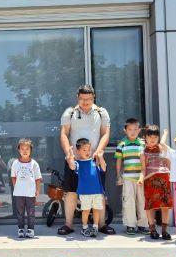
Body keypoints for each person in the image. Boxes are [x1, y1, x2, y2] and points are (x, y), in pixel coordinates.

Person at [59, 85, 115, 235]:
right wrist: (69, 154)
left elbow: (105, 133)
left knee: (98, 192)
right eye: (82, 99)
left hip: (94, 160)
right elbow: (64, 133)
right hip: (74, 160)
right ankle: (68, 224)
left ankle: (102, 224)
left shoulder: (101, 112)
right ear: (77, 97)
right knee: (71, 192)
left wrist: (99, 151)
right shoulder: (70, 112)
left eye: (89, 99)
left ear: (93, 97)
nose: (85, 102)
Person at [138, 125, 172, 240]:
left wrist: (172, 175)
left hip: (164, 179)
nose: (153, 139)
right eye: (150, 137)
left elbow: (168, 163)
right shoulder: (143, 151)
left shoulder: (162, 148)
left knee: (165, 206)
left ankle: (164, 230)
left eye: (155, 137)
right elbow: (143, 169)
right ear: (145, 137)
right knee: (150, 206)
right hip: (150, 180)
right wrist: (141, 178)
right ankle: (152, 229)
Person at [115, 118, 148, 235]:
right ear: (125, 130)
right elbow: (119, 161)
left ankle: (143, 225)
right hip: (128, 178)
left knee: (142, 201)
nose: (133, 132)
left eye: (135, 129)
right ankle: (130, 225)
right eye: (130, 129)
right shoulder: (122, 144)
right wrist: (119, 176)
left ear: (139, 130)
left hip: (141, 178)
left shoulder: (143, 144)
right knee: (129, 201)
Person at [67, 138, 107, 237]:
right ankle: (85, 227)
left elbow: (104, 168)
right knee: (86, 211)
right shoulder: (78, 163)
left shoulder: (95, 161)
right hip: (84, 192)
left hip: (97, 192)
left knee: (96, 210)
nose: (87, 152)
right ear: (78, 151)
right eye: (84, 150)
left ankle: (95, 227)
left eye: (89, 149)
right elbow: (72, 167)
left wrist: (101, 157)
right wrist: (70, 157)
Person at [11, 138, 42, 239]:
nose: (25, 151)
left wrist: (37, 190)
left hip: (30, 193)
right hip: (19, 193)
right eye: (22, 149)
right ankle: (20, 229)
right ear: (19, 150)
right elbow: (13, 177)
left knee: (31, 212)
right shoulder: (15, 163)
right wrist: (16, 187)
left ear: (31, 150)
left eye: (27, 149)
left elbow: (37, 178)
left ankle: (30, 229)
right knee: (20, 212)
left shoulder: (34, 164)